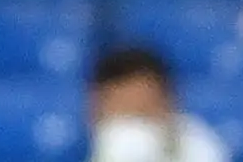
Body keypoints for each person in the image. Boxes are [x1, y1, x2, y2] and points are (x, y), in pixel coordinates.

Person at [87, 47, 229, 162]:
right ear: (97, 107)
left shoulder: (198, 143)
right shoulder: (86, 143)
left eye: (143, 109)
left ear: (168, 101)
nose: (133, 127)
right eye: (126, 109)